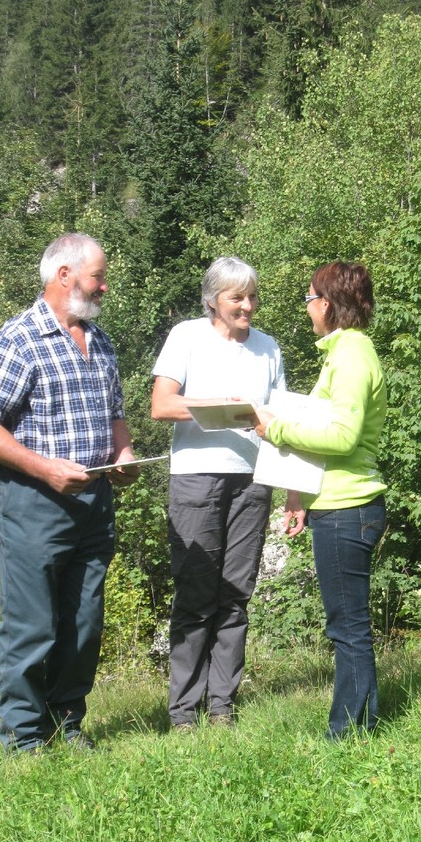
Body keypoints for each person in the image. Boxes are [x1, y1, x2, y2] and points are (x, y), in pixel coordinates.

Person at [0, 232, 139, 754]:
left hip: (93, 504)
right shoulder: (19, 338)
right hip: (33, 505)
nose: (104, 287)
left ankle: (69, 724)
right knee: (32, 625)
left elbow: (115, 414)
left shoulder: (99, 341)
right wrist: (46, 470)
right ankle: (23, 739)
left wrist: (123, 453)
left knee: (84, 624)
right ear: (63, 275)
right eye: (97, 277)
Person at [151, 256, 286, 730]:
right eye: (236, 297)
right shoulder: (186, 336)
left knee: (235, 594)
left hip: (253, 481)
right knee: (195, 592)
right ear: (213, 300)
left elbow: (277, 417)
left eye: (251, 296)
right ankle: (183, 712)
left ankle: (222, 706)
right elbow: (160, 405)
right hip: (196, 477)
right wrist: (215, 407)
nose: (246, 305)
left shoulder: (268, 347)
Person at [255, 261, 387, 741]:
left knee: (347, 629)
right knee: (351, 625)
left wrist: (277, 428)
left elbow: (343, 436)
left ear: (327, 304)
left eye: (309, 299)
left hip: (347, 510)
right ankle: (364, 725)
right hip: (339, 505)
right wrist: (300, 496)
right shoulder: (346, 352)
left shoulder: (351, 354)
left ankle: (345, 735)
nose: (308, 308)